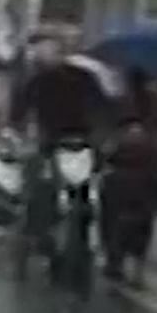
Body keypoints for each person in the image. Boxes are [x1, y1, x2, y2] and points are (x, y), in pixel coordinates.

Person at [10, 33, 114, 242]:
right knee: (37, 184)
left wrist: (103, 135)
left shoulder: (83, 77)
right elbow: (19, 112)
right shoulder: (39, 81)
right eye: (41, 51)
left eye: (49, 51)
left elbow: (103, 108)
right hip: (56, 143)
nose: (44, 56)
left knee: (99, 188)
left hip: (79, 143)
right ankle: (36, 230)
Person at [99, 116, 157, 284]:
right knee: (141, 237)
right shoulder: (153, 148)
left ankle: (116, 266)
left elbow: (104, 162)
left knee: (116, 233)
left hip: (119, 194)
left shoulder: (115, 145)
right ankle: (138, 274)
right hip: (144, 197)